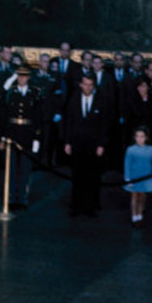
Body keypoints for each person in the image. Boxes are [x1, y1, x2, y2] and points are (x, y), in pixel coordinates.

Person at [62, 73, 109, 217]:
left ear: (93, 85)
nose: (87, 87)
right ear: (80, 85)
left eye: (90, 85)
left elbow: (104, 125)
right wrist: (67, 142)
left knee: (92, 176)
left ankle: (90, 206)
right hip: (77, 144)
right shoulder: (73, 99)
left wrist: (101, 144)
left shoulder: (101, 100)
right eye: (85, 84)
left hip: (93, 146)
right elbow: (68, 122)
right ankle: (76, 205)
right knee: (77, 175)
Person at [1, 65, 43, 209]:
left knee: (25, 167)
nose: (22, 79)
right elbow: (5, 115)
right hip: (12, 133)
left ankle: (22, 198)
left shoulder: (35, 93)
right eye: (19, 76)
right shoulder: (10, 92)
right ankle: (12, 197)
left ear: (29, 77)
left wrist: (37, 137)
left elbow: (38, 116)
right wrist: (3, 137)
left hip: (28, 134)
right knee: (11, 168)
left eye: (24, 76)